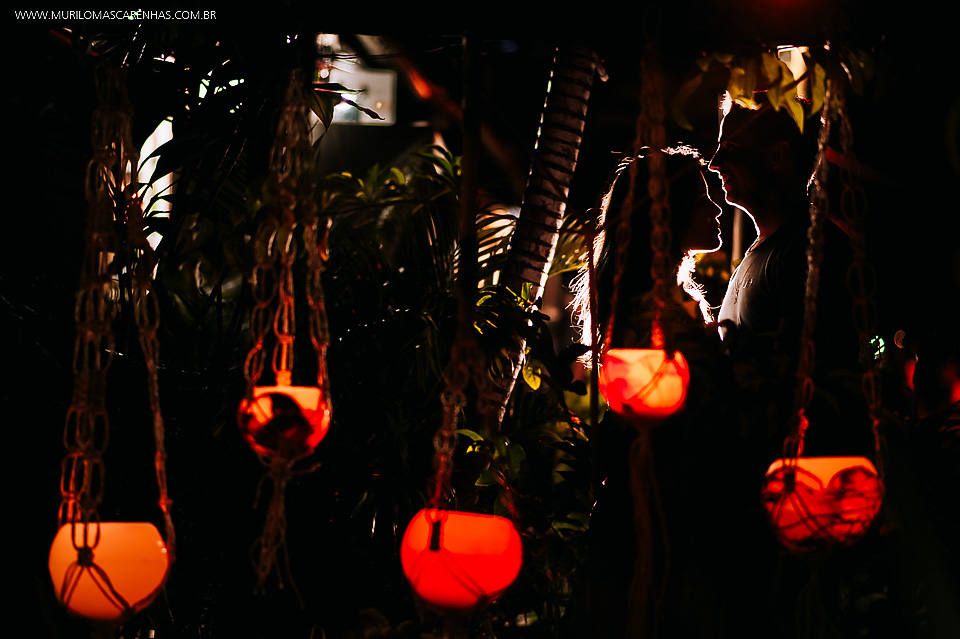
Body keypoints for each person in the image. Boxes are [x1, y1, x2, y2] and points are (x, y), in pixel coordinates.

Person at [707, 94, 858, 375]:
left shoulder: (812, 250)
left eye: (731, 148)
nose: (714, 163)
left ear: (777, 155)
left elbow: (792, 376)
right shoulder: (767, 249)